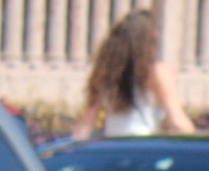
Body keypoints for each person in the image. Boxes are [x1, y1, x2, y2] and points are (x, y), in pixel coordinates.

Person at [72, 11, 195, 139]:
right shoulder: (156, 72)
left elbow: (87, 121)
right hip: (143, 147)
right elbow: (176, 118)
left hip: (113, 146)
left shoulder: (107, 73)